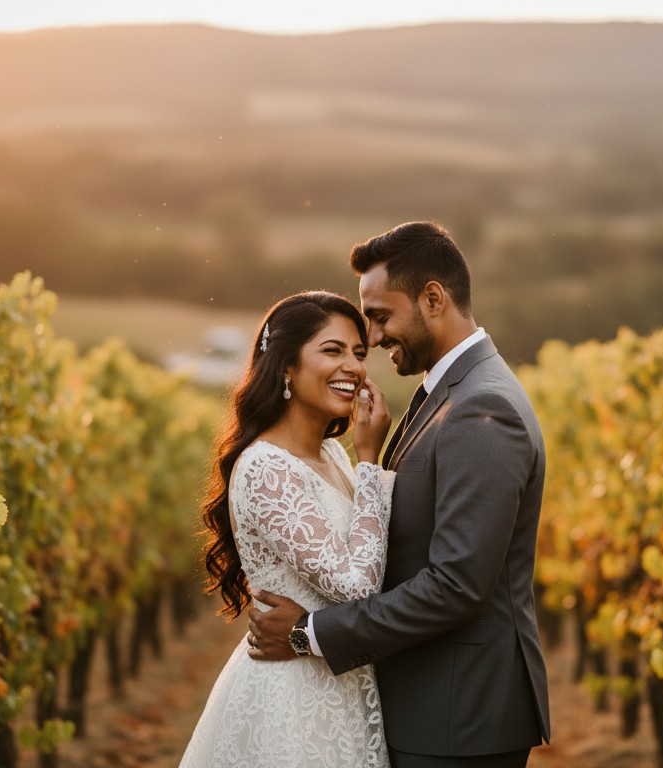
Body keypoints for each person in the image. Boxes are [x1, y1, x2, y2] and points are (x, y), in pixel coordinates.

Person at [248, 222, 551, 767]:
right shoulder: (451, 393)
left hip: (457, 716)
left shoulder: (483, 409)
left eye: (381, 316)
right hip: (432, 705)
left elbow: (457, 586)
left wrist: (307, 634)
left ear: (432, 298)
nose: (376, 337)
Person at [178, 291, 395, 768]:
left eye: (359, 353)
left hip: (344, 688)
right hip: (296, 702)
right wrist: (371, 464)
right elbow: (357, 585)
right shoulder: (266, 468)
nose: (354, 367)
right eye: (332, 350)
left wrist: (360, 463)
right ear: (286, 367)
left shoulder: (333, 455)